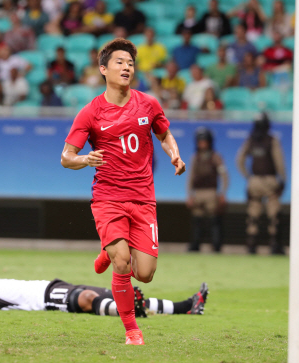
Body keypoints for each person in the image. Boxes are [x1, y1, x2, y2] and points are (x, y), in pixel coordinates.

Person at [60, 38, 186, 345]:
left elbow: (164, 132)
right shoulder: (90, 113)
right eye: (119, 62)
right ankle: (132, 330)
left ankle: (107, 250)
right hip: (108, 197)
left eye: (130, 63)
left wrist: (174, 154)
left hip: (143, 198)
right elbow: (66, 157)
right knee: (122, 262)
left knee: (144, 274)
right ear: (103, 69)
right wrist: (84, 159)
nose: (126, 67)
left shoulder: (149, 103)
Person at [0, 256, 209, 317]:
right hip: (46, 298)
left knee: (114, 293)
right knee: (87, 298)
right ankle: (129, 312)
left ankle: (186, 307)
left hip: (52, 286)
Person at [236, 113, 286, 255]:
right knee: (274, 212)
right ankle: (274, 244)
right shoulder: (272, 140)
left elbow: (239, 159)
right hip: (270, 180)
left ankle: (251, 243)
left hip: (255, 181)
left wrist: (248, 177)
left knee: (253, 212)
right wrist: (282, 179)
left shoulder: (250, 140)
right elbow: (279, 161)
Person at [186, 127, 228, 252]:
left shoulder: (216, 157)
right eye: (200, 141)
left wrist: (223, 193)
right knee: (196, 220)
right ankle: (195, 244)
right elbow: (191, 177)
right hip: (198, 193)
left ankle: (216, 245)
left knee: (215, 219)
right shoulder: (195, 158)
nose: (202, 143)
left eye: (204, 141)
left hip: (211, 192)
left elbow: (224, 175)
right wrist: (190, 194)